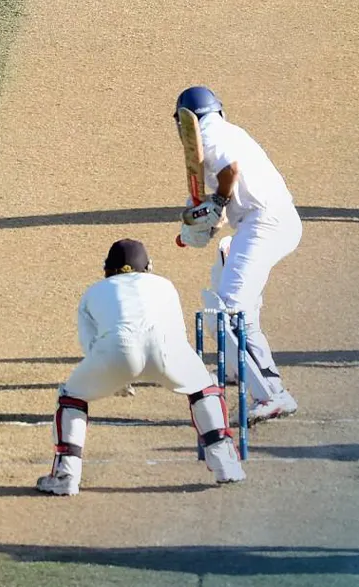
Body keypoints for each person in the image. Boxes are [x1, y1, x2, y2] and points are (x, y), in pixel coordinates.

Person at [37, 239, 246, 496]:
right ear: (148, 267)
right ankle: (226, 463)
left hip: (117, 352)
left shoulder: (93, 292)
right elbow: (177, 333)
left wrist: (117, 379)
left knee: (71, 397)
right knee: (204, 388)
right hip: (168, 349)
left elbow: (91, 345)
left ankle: (66, 475)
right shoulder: (165, 285)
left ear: (107, 269)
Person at [173, 85, 303, 423]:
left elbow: (230, 170)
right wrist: (212, 219)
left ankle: (272, 393)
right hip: (265, 222)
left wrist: (215, 204)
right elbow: (234, 188)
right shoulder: (228, 131)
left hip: (266, 224)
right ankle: (236, 368)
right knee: (225, 272)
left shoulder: (209, 134)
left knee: (227, 312)